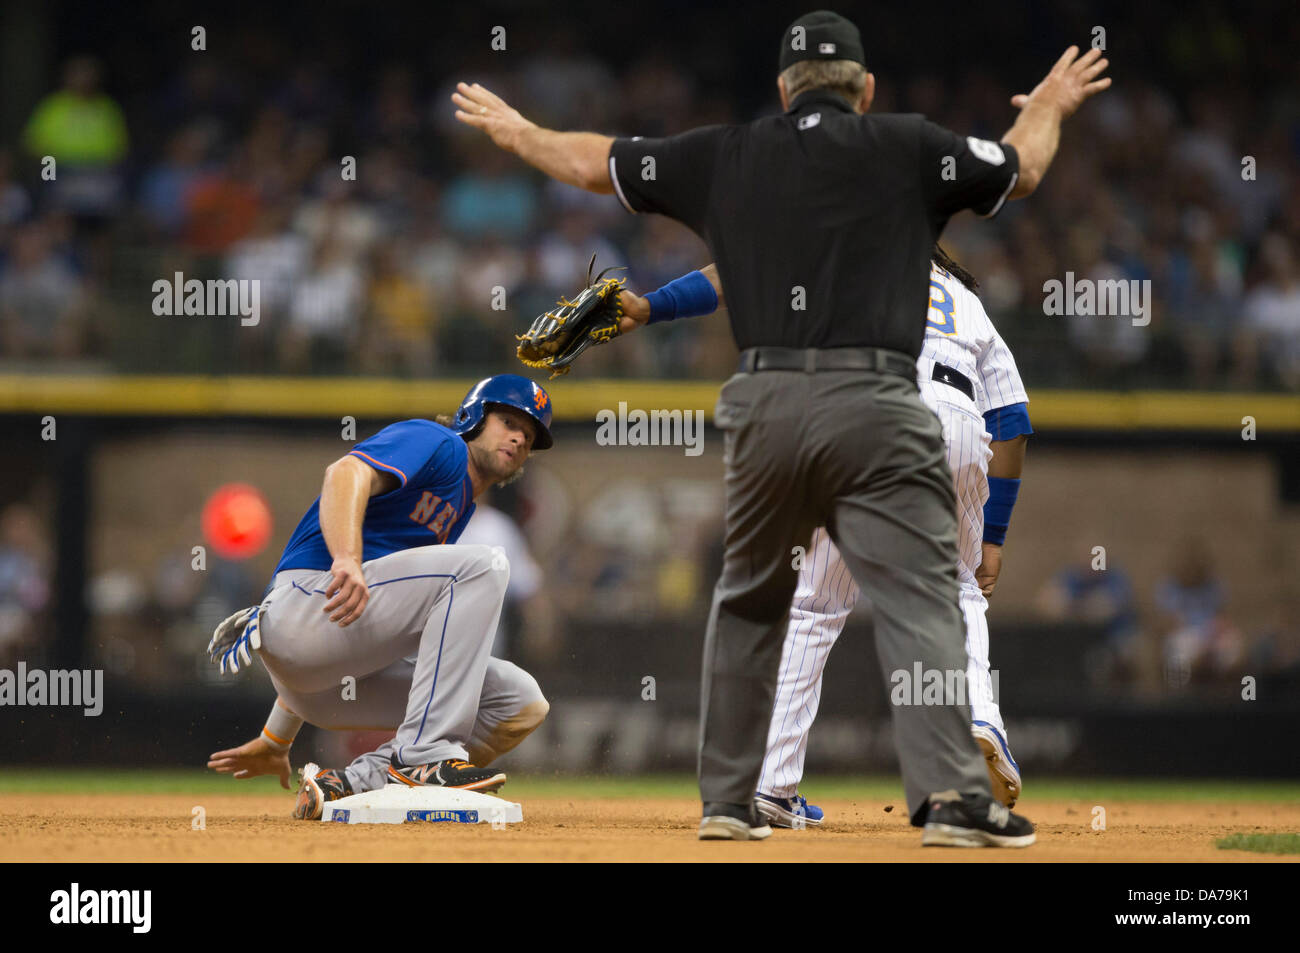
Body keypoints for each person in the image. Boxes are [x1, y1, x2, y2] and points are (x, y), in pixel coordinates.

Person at [453, 11, 1108, 846]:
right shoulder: (906, 148)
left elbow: (593, 164)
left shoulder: (731, 153)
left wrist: (519, 133)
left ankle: (732, 800)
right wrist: (1049, 100)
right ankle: (949, 798)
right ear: (865, 91)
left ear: (781, 88)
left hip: (766, 404)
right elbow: (1025, 167)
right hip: (879, 399)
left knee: (756, 601)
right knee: (924, 600)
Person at [206, 375, 553, 819]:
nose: (519, 436)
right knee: (486, 564)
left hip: (324, 674)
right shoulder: (439, 442)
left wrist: (277, 739)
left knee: (520, 702)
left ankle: (353, 784)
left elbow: (336, 637)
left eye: (529, 435)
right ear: (472, 416)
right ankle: (426, 759)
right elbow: (344, 473)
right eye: (508, 420)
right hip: (300, 605)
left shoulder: (460, 504)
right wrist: (347, 557)